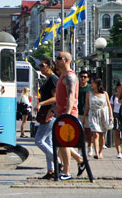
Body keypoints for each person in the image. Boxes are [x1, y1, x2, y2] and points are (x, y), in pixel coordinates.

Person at [54, 52, 84, 181]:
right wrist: (53, 110)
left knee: (64, 143)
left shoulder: (70, 76)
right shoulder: (63, 76)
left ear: (66, 60)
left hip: (68, 114)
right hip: (61, 113)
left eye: (59, 58)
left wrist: (67, 113)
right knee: (60, 143)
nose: (56, 60)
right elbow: (60, 97)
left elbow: (71, 96)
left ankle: (67, 172)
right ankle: (79, 160)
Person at [34, 58, 59, 179]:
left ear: (49, 66)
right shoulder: (48, 79)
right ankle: (51, 171)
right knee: (48, 142)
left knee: (39, 140)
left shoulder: (53, 79)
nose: (40, 67)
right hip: (47, 113)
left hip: (50, 113)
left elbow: (56, 98)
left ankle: (58, 161)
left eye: (42, 65)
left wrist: (41, 103)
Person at [83, 78, 114, 159]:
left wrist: (111, 116)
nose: (91, 84)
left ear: (97, 84)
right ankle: (96, 152)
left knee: (101, 134)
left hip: (103, 115)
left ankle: (100, 152)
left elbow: (109, 105)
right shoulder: (89, 93)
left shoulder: (104, 93)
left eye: (93, 83)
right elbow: (87, 105)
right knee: (95, 133)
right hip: (93, 114)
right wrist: (84, 116)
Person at [77, 70, 93, 156]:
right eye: (81, 76)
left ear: (88, 78)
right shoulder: (76, 87)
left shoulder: (90, 88)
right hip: (78, 112)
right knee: (79, 131)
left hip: (88, 113)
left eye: (85, 77)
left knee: (88, 131)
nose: (83, 78)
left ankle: (90, 147)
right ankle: (80, 149)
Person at [110, 81, 122, 159]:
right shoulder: (114, 97)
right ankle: (119, 152)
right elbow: (112, 107)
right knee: (116, 133)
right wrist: (111, 117)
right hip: (116, 115)